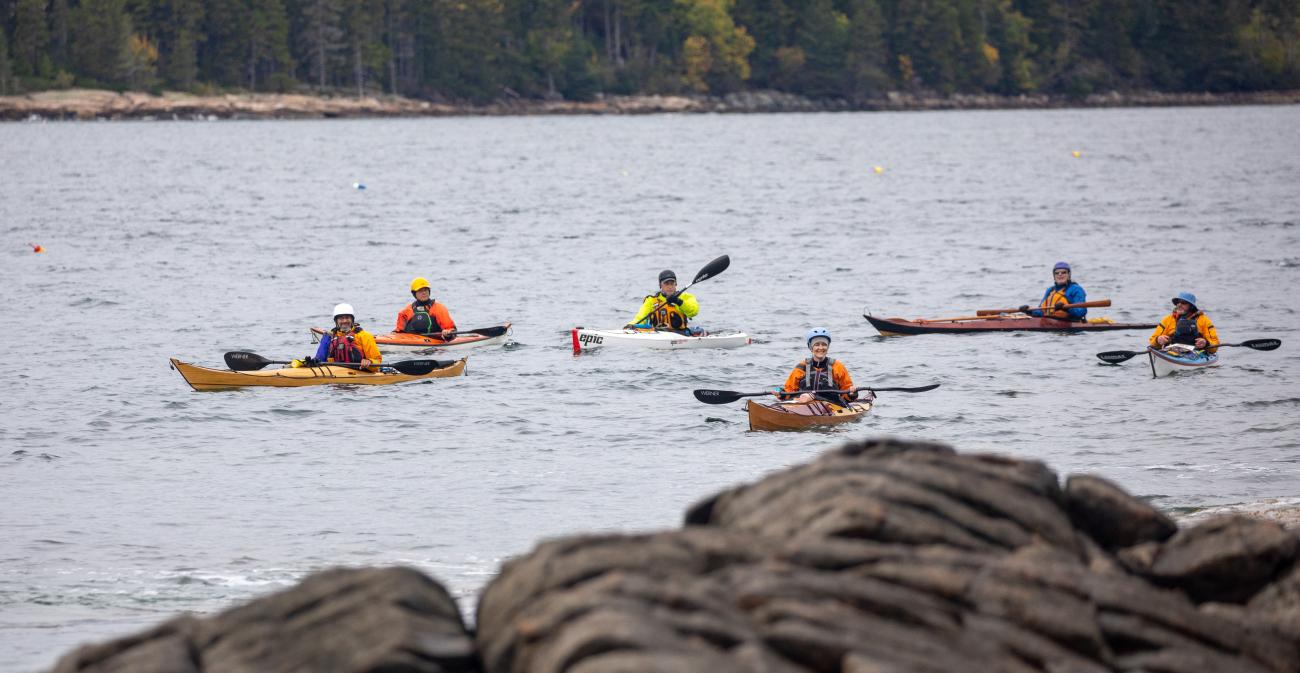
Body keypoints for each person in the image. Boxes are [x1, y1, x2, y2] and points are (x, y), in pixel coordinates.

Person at [775, 328, 869, 406]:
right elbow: (789, 391)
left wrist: (852, 393)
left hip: (831, 405)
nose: (820, 348)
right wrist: (781, 393)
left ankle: (811, 398)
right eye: (816, 344)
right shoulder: (801, 367)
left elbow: (847, 395)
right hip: (802, 403)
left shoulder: (837, 366)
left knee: (809, 398)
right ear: (810, 347)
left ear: (828, 347)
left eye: (824, 344)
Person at [302, 303, 381, 370]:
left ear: (352, 320)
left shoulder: (364, 336)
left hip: (359, 373)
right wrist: (311, 362)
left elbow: (377, 361)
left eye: (347, 318)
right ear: (336, 321)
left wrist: (370, 362)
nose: (344, 321)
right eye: (341, 318)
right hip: (334, 374)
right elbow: (320, 359)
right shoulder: (329, 337)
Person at [626, 269, 700, 334]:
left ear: (676, 284)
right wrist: (630, 326)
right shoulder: (651, 300)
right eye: (666, 284)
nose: (670, 286)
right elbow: (640, 318)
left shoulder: (685, 297)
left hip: (680, 334)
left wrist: (678, 302)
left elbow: (693, 312)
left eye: (672, 283)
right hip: (657, 334)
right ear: (660, 285)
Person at [1150, 292, 1219, 352]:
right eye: (1178, 302)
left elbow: (1215, 345)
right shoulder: (1167, 320)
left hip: (1196, 354)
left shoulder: (1205, 321)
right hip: (1170, 352)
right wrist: (1158, 340)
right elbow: (1152, 341)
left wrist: (1206, 343)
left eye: (1183, 303)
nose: (1179, 305)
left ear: (1191, 306)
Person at [1019, 261, 1087, 321]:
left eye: (1063, 272)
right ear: (1054, 276)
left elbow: (1081, 312)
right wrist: (1029, 310)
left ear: (1069, 275)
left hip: (1069, 325)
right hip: (1050, 325)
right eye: (1057, 273)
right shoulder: (1050, 290)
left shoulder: (1076, 289)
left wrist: (1066, 308)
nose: (1060, 275)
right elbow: (1041, 311)